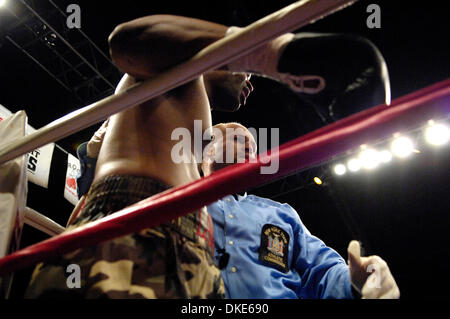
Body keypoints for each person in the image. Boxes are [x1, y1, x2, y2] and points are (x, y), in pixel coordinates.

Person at [26, 13, 390, 299]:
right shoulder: (172, 72)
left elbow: (320, 270)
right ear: (208, 149)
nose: (250, 80)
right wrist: (272, 53)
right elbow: (127, 39)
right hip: (140, 228)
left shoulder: (276, 213)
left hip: (192, 266)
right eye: (235, 134)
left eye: (252, 141)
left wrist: (359, 282)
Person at [202, 122, 400, 299]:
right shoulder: (178, 206)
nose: (249, 148)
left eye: (254, 147)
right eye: (238, 139)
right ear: (209, 150)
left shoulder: (280, 214)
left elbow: (321, 267)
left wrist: (356, 278)